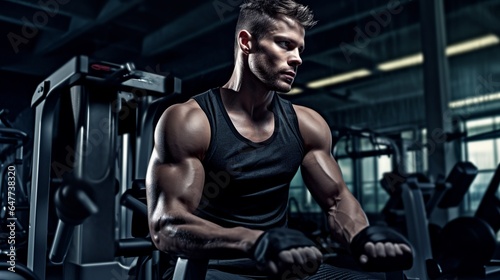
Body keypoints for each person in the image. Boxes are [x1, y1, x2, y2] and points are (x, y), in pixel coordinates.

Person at [146, 0, 413, 279]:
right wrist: (254, 241)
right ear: (246, 42)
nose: (297, 58)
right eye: (285, 44)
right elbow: (165, 227)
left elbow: (336, 201)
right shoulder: (191, 121)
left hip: (283, 267)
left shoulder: (307, 124)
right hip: (211, 269)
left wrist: (363, 238)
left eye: (300, 49)